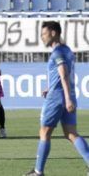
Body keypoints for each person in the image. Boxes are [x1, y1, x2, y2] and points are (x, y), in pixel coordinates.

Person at [24, 21, 89, 176]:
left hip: (57, 98)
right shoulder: (67, 50)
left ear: (53, 33)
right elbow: (63, 75)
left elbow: (64, 74)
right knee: (71, 133)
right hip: (66, 94)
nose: (42, 38)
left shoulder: (57, 53)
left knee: (45, 132)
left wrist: (65, 98)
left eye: (44, 34)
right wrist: (55, 89)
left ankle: (38, 171)